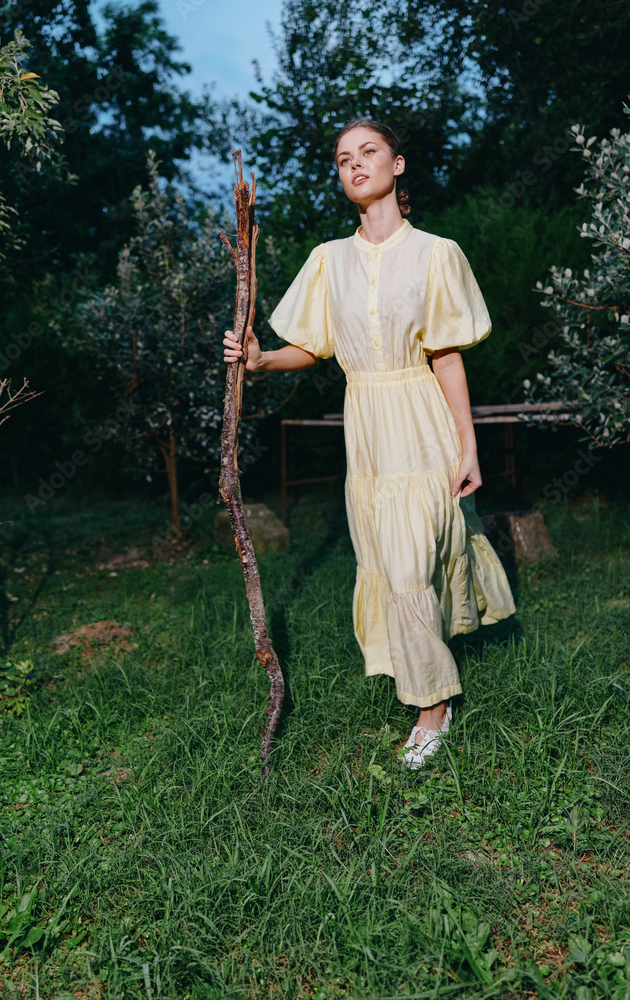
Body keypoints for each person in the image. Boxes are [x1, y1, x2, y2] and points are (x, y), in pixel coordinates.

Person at [223, 117, 516, 768]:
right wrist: (260, 358)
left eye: (368, 152)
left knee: (414, 561)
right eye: (341, 159)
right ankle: (422, 677)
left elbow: (445, 357)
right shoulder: (329, 260)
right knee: (389, 561)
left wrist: (467, 446)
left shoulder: (437, 253)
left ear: (397, 164)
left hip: (421, 418)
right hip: (366, 425)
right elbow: (313, 346)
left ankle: (431, 708)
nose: (354, 165)